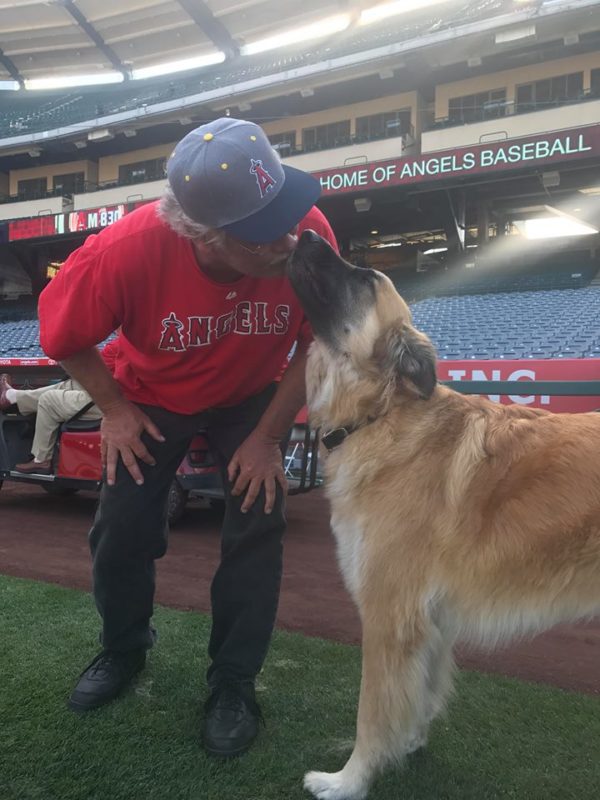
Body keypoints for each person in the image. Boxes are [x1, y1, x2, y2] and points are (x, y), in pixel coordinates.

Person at [37, 117, 338, 757]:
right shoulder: (125, 250)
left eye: (285, 209)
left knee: (259, 519)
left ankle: (233, 681)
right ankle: (124, 648)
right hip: (151, 394)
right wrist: (113, 411)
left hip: (254, 392)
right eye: (263, 232)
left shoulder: (307, 234)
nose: (290, 235)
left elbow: (321, 345)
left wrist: (267, 437)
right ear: (204, 235)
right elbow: (62, 337)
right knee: (120, 527)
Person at [0, 338, 119, 474]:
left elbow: (90, 370)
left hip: (111, 401)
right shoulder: (124, 343)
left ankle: (41, 460)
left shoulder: (121, 345)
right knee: (70, 384)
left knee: (48, 400)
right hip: (108, 392)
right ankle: (12, 396)